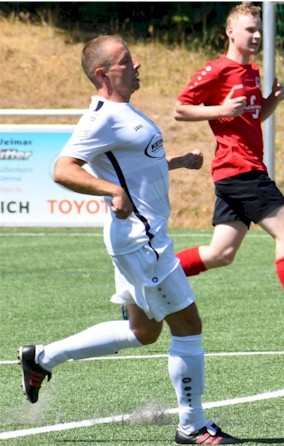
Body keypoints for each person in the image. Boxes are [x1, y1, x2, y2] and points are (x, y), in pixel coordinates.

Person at [17, 35, 242, 444]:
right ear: (104, 73)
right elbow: (62, 168)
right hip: (142, 240)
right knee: (188, 326)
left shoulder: (125, 111)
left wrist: (176, 162)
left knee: (143, 332)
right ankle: (192, 426)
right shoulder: (101, 117)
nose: (137, 64)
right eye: (125, 60)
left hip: (142, 237)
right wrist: (111, 192)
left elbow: (133, 169)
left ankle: (43, 357)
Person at [171, 2, 284, 349]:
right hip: (241, 170)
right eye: (250, 29)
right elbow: (180, 109)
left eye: (259, 29)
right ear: (230, 32)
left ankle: (148, 279)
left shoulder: (254, 72)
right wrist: (220, 109)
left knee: (221, 254)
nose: (257, 35)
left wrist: (271, 103)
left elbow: (248, 118)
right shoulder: (217, 69)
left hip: (236, 173)